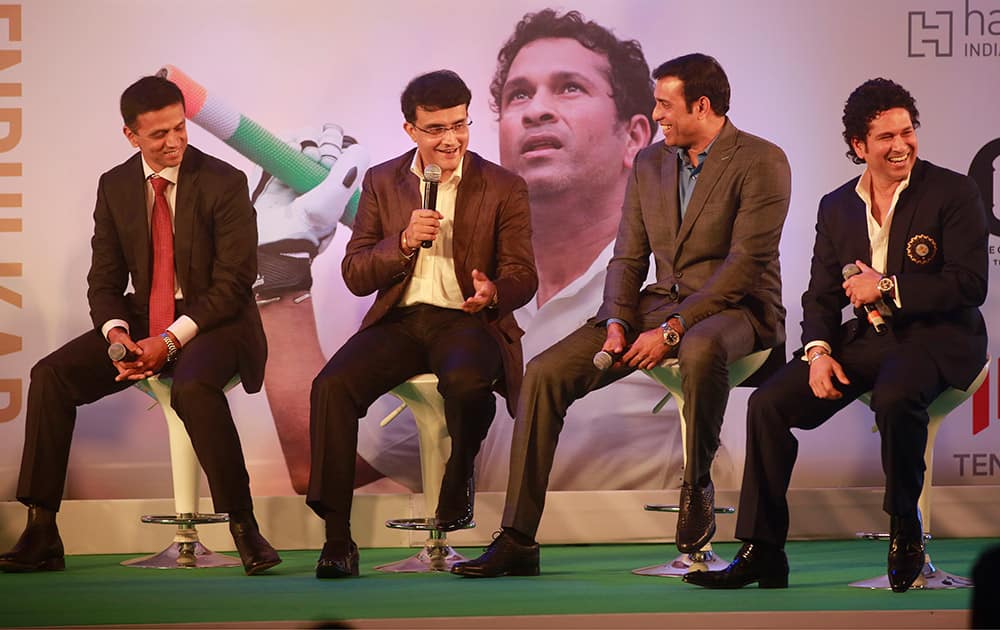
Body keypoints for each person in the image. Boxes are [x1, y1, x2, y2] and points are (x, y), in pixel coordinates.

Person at [452, 53, 791, 578]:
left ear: (702, 107)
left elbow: (742, 268)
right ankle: (517, 537)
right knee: (544, 372)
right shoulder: (651, 163)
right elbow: (628, 257)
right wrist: (615, 318)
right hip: (661, 302)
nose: (657, 115)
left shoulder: (762, 160)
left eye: (664, 104)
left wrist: (672, 330)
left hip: (740, 308)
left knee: (700, 348)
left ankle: (696, 485)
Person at [684, 78, 989, 593]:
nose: (901, 145)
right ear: (858, 146)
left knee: (895, 395)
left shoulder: (953, 191)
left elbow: (970, 283)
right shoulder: (836, 205)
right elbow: (821, 295)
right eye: (886, 136)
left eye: (908, 132)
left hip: (939, 337)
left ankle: (905, 530)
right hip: (868, 340)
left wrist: (887, 285)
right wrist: (819, 352)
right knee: (769, 403)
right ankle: (763, 550)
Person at [0, 76, 280, 575]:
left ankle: (244, 528)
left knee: (193, 386)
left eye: (180, 128)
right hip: (143, 317)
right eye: (159, 135)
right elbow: (104, 279)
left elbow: (234, 281)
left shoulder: (225, 181)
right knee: (50, 376)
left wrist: (169, 340)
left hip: (218, 322)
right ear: (131, 136)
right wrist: (117, 337)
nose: (174, 142)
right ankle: (42, 530)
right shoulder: (114, 186)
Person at [306, 69, 537, 579]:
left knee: (468, 380)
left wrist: (493, 291)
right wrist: (404, 242)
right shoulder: (382, 181)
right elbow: (355, 273)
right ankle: (338, 538)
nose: (451, 139)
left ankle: (459, 478)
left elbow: (524, 273)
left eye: (460, 124)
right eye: (436, 129)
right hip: (401, 320)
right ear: (410, 129)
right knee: (331, 387)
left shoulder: (503, 186)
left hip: (467, 320)